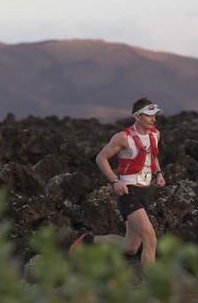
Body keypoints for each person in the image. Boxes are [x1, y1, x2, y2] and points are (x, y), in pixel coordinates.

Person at [69, 98, 166, 267]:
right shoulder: (123, 138)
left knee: (130, 247)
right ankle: (154, 287)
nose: (153, 119)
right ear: (137, 116)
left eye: (154, 115)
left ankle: (88, 241)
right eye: (149, 115)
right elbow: (101, 158)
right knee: (150, 238)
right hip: (128, 193)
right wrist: (115, 181)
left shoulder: (155, 134)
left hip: (144, 192)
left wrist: (159, 173)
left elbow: (152, 156)